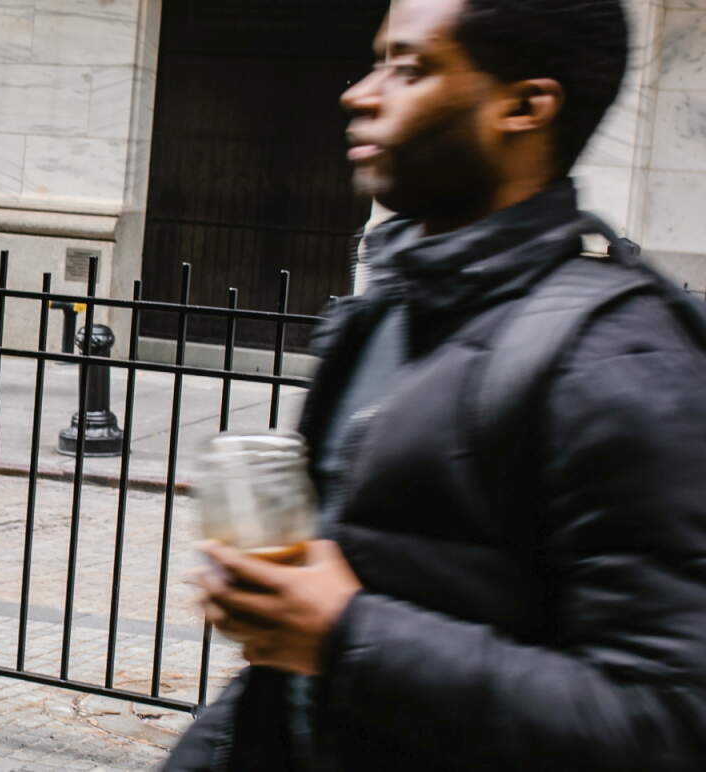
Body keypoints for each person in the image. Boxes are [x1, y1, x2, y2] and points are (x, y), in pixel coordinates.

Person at [167, 1, 706, 769]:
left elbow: (670, 721)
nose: (360, 92)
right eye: (379, 58)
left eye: (410, 67)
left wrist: (346, 633)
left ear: (524, 106)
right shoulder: (380, 318)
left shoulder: (621, 359)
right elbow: (287, 681)